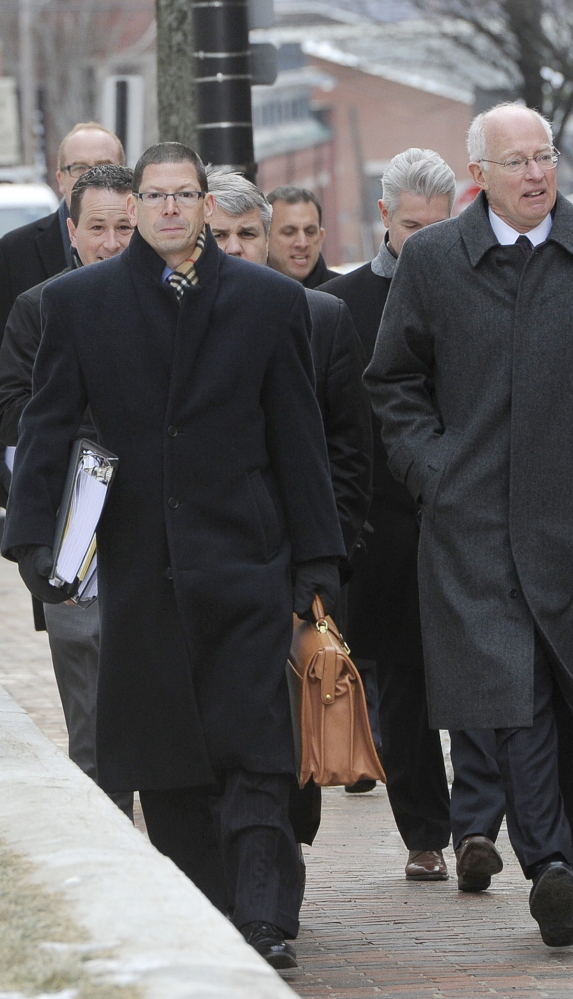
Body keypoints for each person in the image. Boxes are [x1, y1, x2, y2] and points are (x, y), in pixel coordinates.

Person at [2, 142, 345, 970]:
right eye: (151, 196)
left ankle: (265, 915)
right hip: (141, 563)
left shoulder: (267, 302)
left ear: (201, 203)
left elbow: (299, 439)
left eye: (180, 195)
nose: (164, 210)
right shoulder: (77, 304)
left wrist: (317, 560)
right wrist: (30, 539)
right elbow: (47, 425)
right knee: (167, 757)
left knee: (257, 746)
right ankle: (211, 909)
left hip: (247, 556)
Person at [363, 104, 573, 948]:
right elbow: (391, 382)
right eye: (513, 161)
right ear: (478, 173)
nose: (534, 173)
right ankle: (547, 863)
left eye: (543, 155)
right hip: (470, 525)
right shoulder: (437, 260)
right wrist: (431, 470)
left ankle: (569, 878)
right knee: (509, 698)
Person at [207, 168, 374, 846]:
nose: (236, 246)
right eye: (220, 234)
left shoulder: (320, 318)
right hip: (206, 558)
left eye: (249, 233)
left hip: (293, 560)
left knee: (289, 714)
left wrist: (329, 550)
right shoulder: (169, 319)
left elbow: (348, 449)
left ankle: (279, 854)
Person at [320, 148, 457, 880]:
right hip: (383, 524)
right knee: (402, 689)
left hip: (464, 516)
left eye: (437, 227)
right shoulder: (343, 306)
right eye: (411, 226)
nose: (423, 241)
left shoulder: (473, 290)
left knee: (479, 677)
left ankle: (475, 823)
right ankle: (425, 834)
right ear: (382, 217)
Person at [0, 165, 135, 819]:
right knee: (90, 701)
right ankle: (108, 828)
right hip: (76, 522)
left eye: (123, 227)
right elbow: (10, 409)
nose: (110, 241)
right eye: (97, 227)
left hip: (164, 527)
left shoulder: (178, 303)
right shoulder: (38, 307)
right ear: (71, 232)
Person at [0, 121, 126, 510]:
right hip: (51, 475)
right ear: (60, 178)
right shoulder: (19, 258)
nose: (110, 242)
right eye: (79, 168)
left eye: (103, 164)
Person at [266, 186, 338, 287]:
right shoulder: (246, 294)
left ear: (321, 238)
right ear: (266, 239)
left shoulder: (348, 295)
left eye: (310, 232)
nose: (302, 243)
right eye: (289, 232)